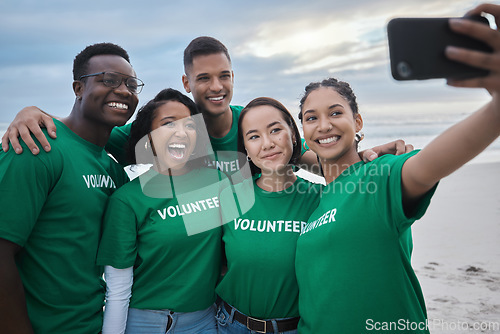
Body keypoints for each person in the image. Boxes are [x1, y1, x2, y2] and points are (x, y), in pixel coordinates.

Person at [294, 4, 500, 333]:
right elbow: (283, 151)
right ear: (303, 130)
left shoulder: (381, 174)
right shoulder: (315, 199)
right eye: (311, 118)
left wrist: (496, 110)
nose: (323, 126)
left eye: (335, 113)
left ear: (357, 121)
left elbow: (431, 162)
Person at [1, 37, 412, 172]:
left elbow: (311, 158)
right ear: (186, 82)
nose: (216, 87)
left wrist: (371, 158)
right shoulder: (173, 129)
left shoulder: (251, 124)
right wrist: (32, 113)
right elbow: (87, 134)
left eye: (225, 76)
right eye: (204, 79)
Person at [0, 42, 141, 334]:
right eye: (109, 80)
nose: (124, 91)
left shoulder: (114, 170)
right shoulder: (33, 147)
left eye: (131, 84)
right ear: (78, 88)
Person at [97, 88, 228, 334]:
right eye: (168, 124)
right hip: (144, 323)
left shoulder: (219, 182)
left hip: (205, 321)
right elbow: (118, 286)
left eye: (190, 126)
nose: (181, 132)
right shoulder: (127, 199)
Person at [216, 97, 322, 334]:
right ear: (245, 147)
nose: (267, 143)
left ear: (294, 136)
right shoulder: (229, 196)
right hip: (229, 325)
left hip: (293, 328)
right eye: (254, 136)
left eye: (275, 130)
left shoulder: (319, 199)